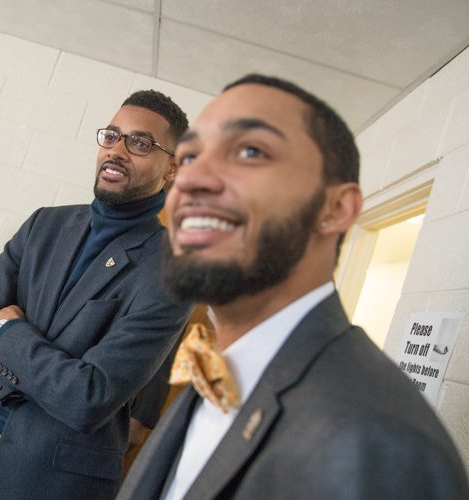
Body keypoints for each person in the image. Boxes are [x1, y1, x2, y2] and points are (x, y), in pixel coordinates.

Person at [117, 74, 469, 500]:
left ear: (335, 209)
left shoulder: (379, 443)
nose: (193, 180)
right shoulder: (218, 370)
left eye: (250, 152)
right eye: (189, 158)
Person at [0, 90, 193, 500]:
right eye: (111, 136)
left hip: (48, 483)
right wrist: (43, 378)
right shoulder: (45, 225)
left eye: (140, 143)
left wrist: (10, 332)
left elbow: (89, 397)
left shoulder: (172, 272)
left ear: (172, 167)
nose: (118, 151)